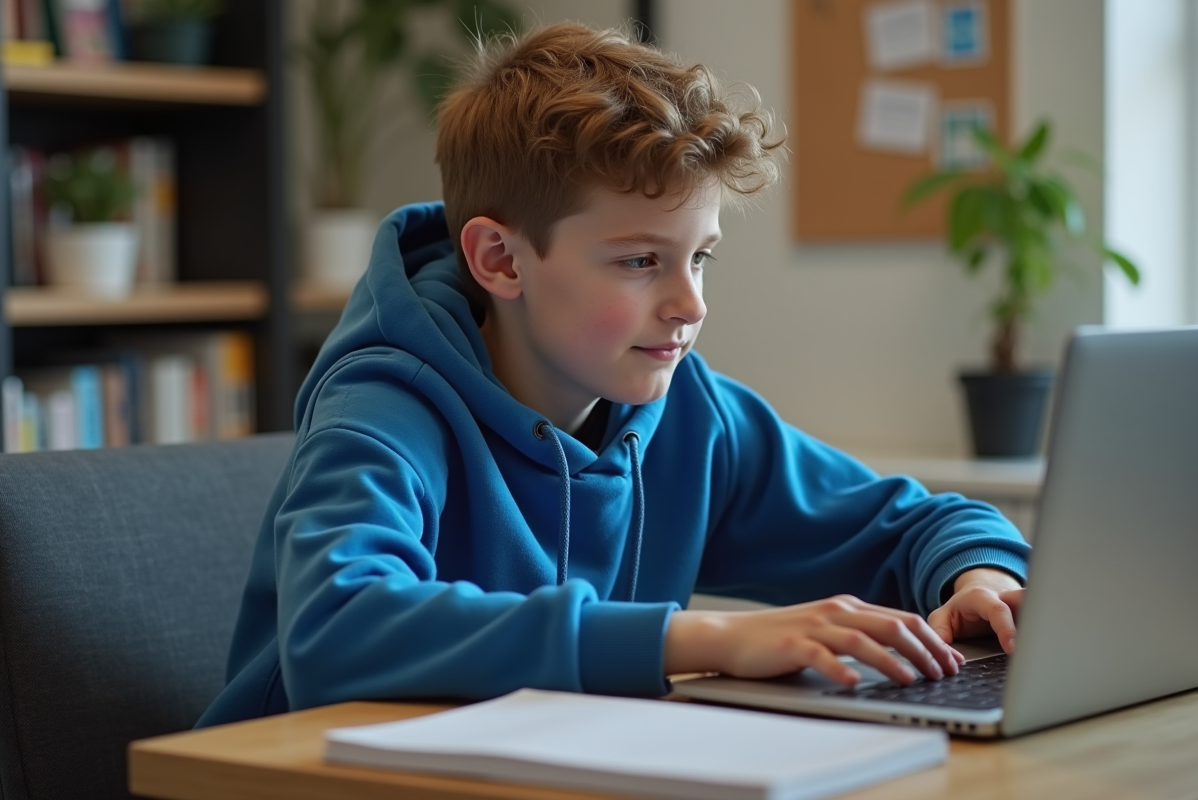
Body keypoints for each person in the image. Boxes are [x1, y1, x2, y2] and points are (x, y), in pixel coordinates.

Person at [198, 22, 1030, 728]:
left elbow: (907, 525)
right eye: (639, 260)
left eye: (699, 258)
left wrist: (980, 576)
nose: (688, 305)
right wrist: (697, 638)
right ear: (500, 259)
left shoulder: (685, 411)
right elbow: (338, 631)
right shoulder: (384, 406)